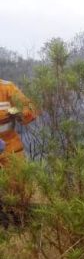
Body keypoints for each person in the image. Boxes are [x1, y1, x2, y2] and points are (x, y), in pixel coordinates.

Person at [0, 79, 37, 227]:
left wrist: (21, 113)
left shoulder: (7, 88)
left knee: (18, 186)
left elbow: (30, 110)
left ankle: (19, 223)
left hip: (10, 145)